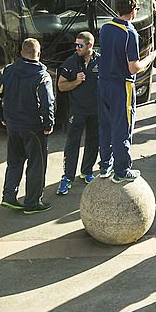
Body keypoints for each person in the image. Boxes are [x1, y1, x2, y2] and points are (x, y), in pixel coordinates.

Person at [0, 37, 55, 213]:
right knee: (36, 164)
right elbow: (47, 103)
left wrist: (2, 116)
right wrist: (49, 123)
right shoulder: (42, 76)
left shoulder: (8, 71)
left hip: (12, 125)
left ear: (20, 53)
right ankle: (32, 203)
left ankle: (9, 196)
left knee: (15, 161)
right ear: (39, 54)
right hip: (33, 127)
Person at [97, 0, 156, 182]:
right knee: (123, 127)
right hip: (121, 85)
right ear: (133, 11)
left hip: (103, 83)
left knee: (106, 126)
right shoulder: (130, 33)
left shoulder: (106, 27)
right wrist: (149, 58)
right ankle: (122, 170)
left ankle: (105, 165)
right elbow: (134, 67)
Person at [56, 32, 100, 195]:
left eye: (80, 45)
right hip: (77, 111)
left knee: (93, 142)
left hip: (96, 111)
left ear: (89, 46)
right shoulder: (71, 62)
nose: (77, 48)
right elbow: (61, 86)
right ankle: (67, 177)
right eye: (76, 44)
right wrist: (75, 81)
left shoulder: (100, 61)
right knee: (72, 144)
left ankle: (87, 171)